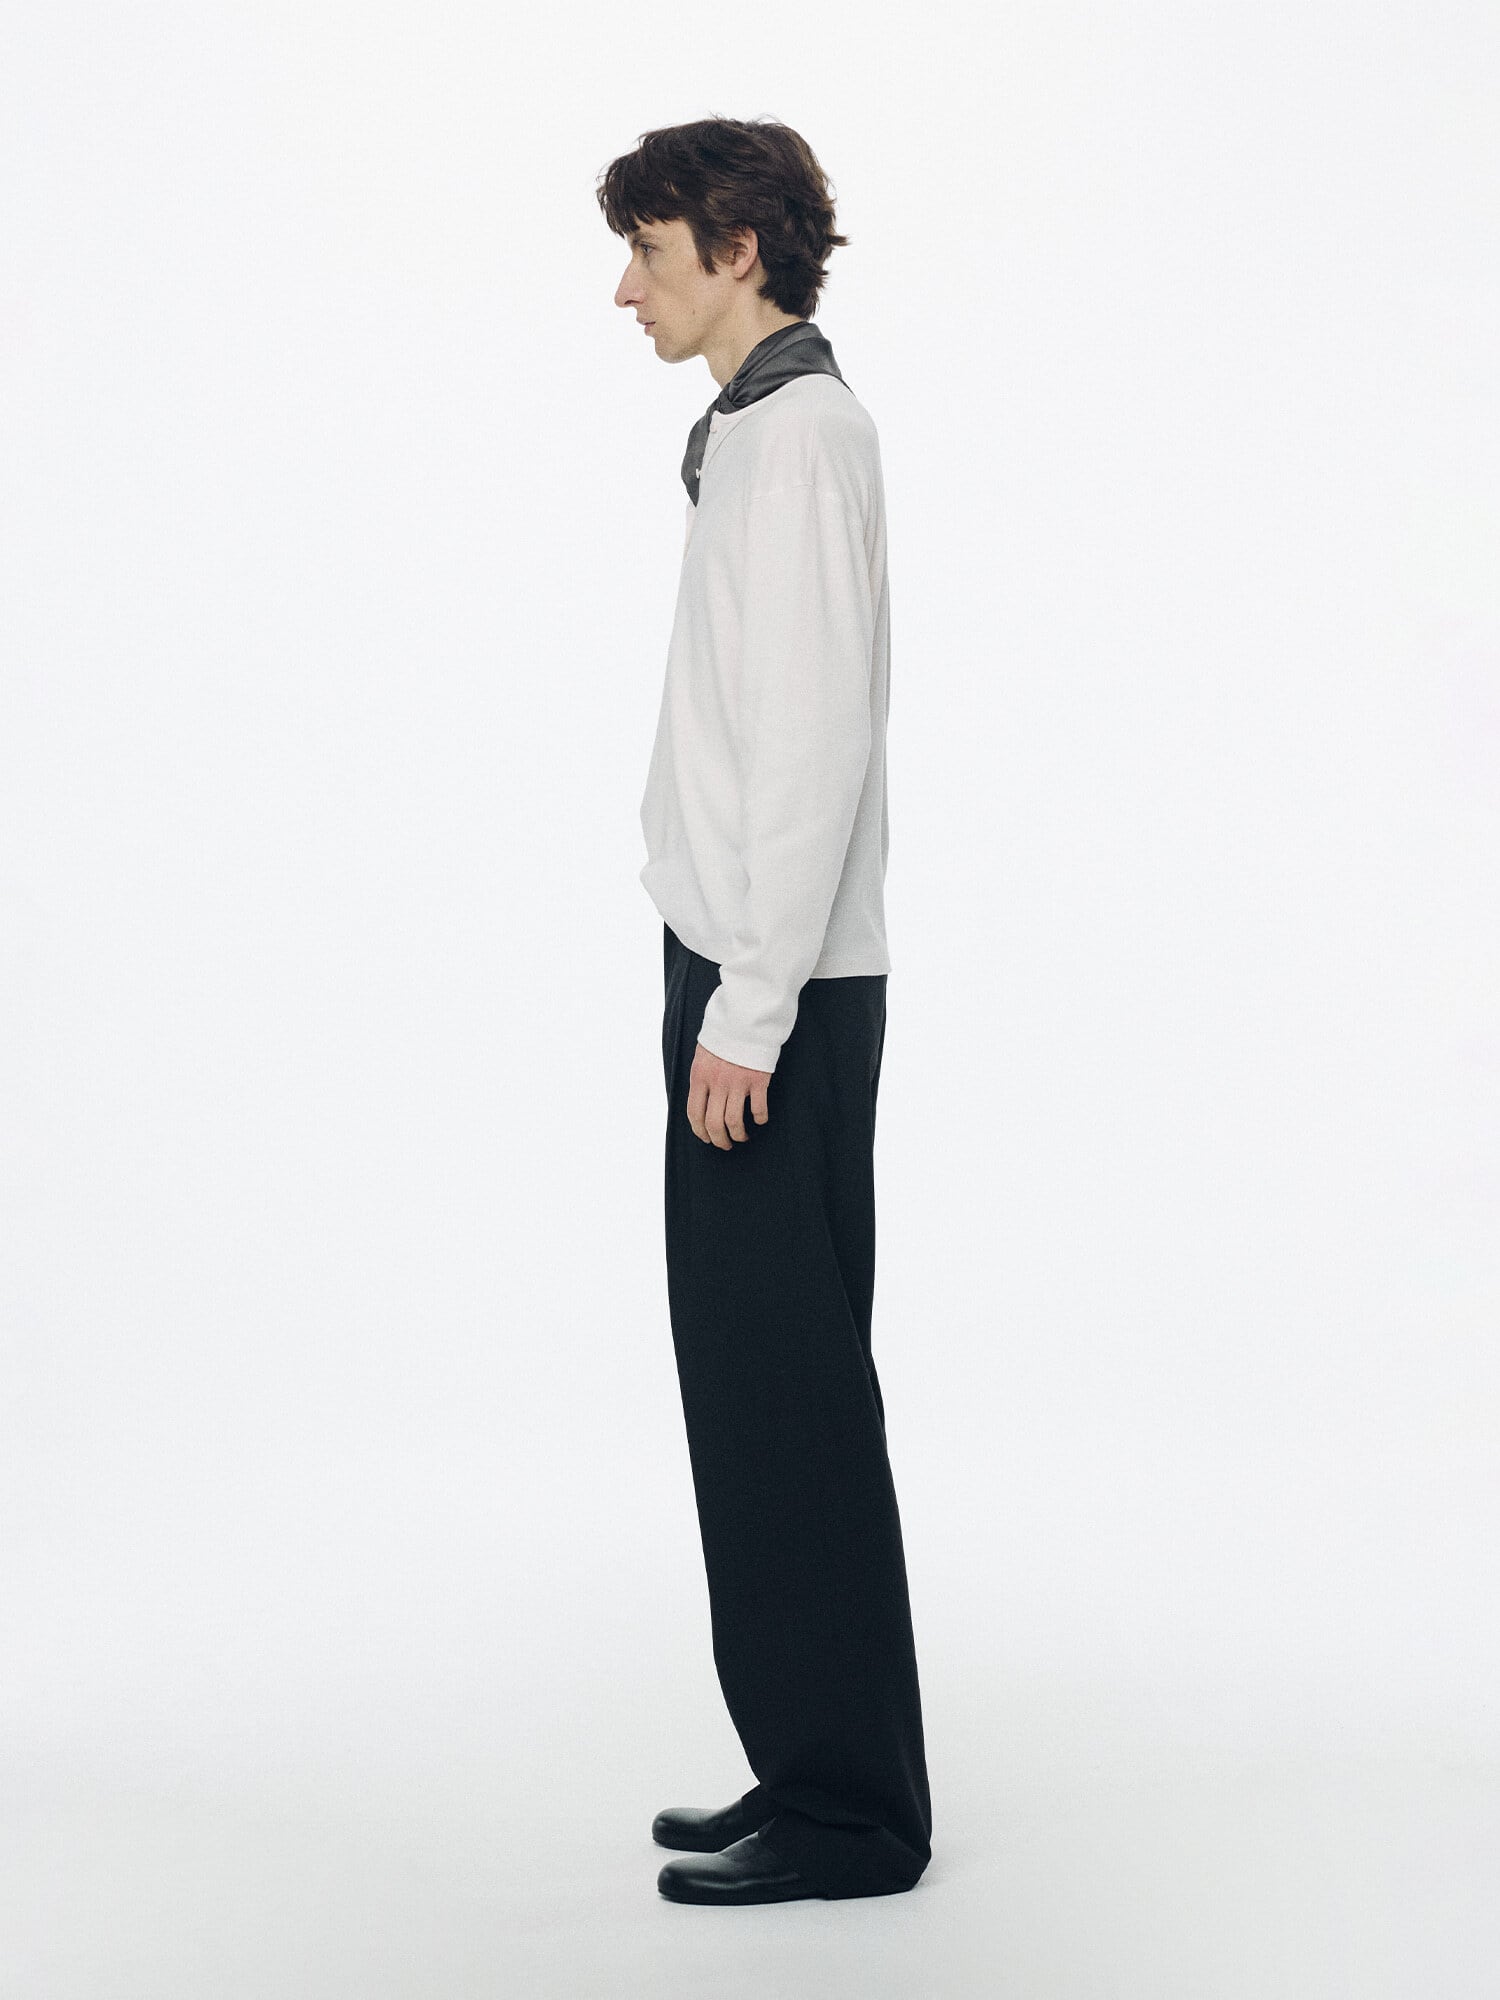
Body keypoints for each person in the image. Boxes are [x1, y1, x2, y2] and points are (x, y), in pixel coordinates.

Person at [596, 116, 933, 1906]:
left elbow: (805, 751)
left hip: (768, 994)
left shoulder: (797, 443)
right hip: (752, 971)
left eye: (649, 251)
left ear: (738, 250)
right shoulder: (764, 429)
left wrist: (749, 1008)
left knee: (781, 1396)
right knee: (761, 1390)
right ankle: (817, 1767)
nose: (625, 290)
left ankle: (849, 1816)